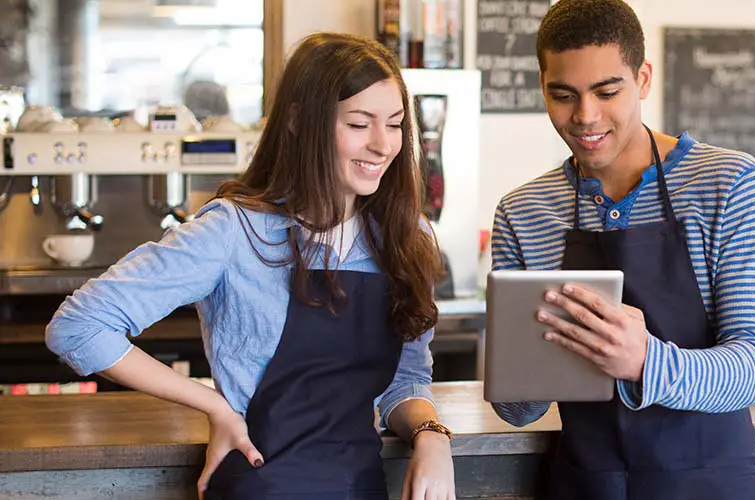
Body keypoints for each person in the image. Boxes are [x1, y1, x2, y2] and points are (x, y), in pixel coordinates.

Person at [45, 32, 456, 500]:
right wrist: (213, 405)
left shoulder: (404, 238)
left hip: (359, 487)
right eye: (360, 124)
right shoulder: (235, 230)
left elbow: (404, 381)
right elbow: (78, 327)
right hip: (261, 485)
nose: (384, 145)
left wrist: (430, 435)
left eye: (396, 123)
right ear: (301, 122)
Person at [488, 1, 755, 498]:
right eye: (563, 95)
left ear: (643, 78)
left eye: (607, 92)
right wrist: (527, 367)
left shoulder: (729, 183)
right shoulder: (524, 212)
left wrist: (645, 361)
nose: (585, 116)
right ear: (542, 87)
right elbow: (518, 410)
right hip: (589, 484)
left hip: (711, 483)